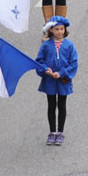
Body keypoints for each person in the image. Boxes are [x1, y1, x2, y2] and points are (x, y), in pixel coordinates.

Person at [35, 15, 78, 146]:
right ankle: (52, 132)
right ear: (51, 31)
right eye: (56, 29)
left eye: (62, 29)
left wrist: (61, 73)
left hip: (63, 80)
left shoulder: (69, 46)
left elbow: (73, 63)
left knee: (62, 105)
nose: (59, 32)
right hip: (50, 81)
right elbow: (39, 61)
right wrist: (46, 70)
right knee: (51, 105)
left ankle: (60, 132)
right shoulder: (46, 45)